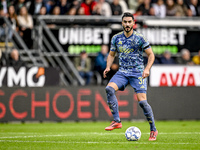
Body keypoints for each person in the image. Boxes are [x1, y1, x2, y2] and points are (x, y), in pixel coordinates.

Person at [103, 12, 158, 141]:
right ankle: (117, 121)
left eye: (129, 22)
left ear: (133, 23)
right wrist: (108, 67)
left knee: (143, 102)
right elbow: (111, 54)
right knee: (109, 89)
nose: (127, 24)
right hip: (123, 72)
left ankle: (153, 129)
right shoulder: (116, 38)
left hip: (138, 73)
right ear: (122, 23)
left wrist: (147, 69)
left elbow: (151, 55)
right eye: (125, 22)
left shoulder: (140, 38)